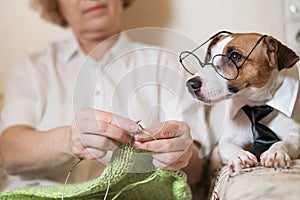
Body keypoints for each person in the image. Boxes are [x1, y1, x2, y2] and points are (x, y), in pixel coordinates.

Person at [0, 0, 209, 196]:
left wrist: (182, 156)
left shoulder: (167, 65)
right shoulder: (31, 69)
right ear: (55, 4)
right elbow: (11, 154)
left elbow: (198, 171)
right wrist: (68, 140)